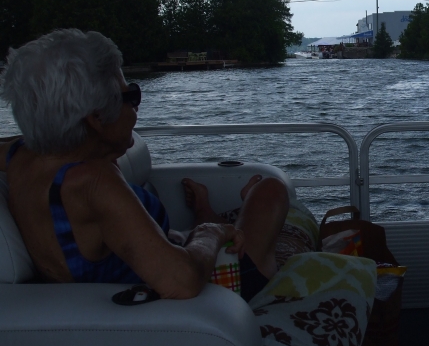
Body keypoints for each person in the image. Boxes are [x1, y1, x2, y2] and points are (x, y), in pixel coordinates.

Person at [0, 29, 290, 302]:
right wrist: (208, 233)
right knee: (271, 190)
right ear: (97, 118)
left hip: (120, 281)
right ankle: (229, 239)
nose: (137, 106)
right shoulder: (92, 182)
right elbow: (182, 280)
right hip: (195, 301)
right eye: (131, 96)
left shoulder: (20, 155)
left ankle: (207, 215)